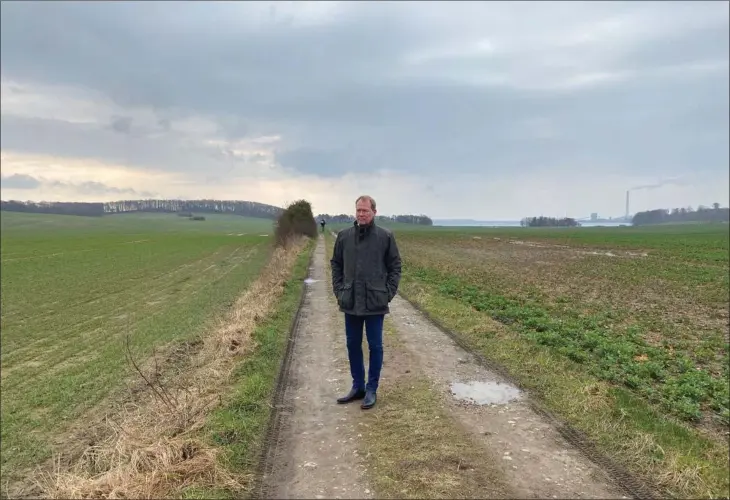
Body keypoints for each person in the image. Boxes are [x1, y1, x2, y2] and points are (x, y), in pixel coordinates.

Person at [330, 195, 402, 409]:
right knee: (352, 344)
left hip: (375, 302)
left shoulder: (385, 237)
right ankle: (358, 386)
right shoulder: (344, 237)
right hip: (350, 301)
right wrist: (339, 291)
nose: (361, 214)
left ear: (374, 213)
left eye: (365, 211)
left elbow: (395, 267)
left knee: (375, 346)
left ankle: (371, 389)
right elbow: (336, 265)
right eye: (358, 210)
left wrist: (387, 293)